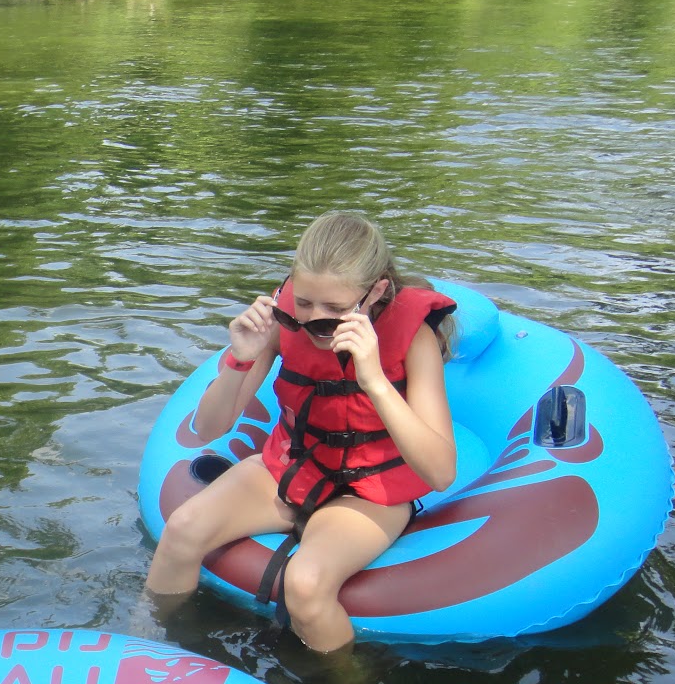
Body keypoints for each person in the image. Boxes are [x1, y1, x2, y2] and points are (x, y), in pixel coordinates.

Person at [143, 212, 457, 653]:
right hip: (291, 466)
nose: (313, 323)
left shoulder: (414, 338)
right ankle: (146, 646)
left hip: (370, 492)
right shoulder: (282, 315)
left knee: (306, 586)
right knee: (182, 529)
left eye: (334, 311)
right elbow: (207, 428)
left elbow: (441, 472)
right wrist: (240, 359)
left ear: (377, 291)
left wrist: (374, 381)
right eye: (305, 304)